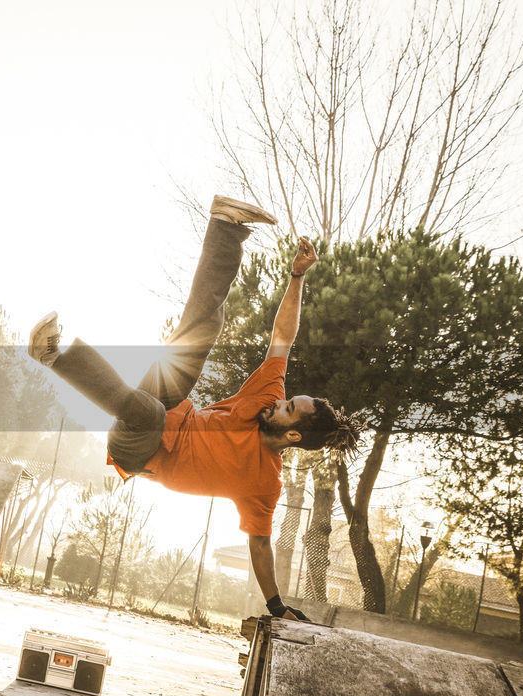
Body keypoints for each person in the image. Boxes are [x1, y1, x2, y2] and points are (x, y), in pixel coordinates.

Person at [28, 195, 361, 622]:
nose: (279, 400)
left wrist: (276, 606)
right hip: (169, 405)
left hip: (140, 448)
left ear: (293, 433)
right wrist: (296, 277)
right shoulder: (265, 397)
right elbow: (284, 337)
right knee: (203, 329)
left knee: (147, 412)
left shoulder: (264, 486)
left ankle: (53, 355)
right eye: (285, 398)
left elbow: (260, 545)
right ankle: (225, 225)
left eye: (288, 408)